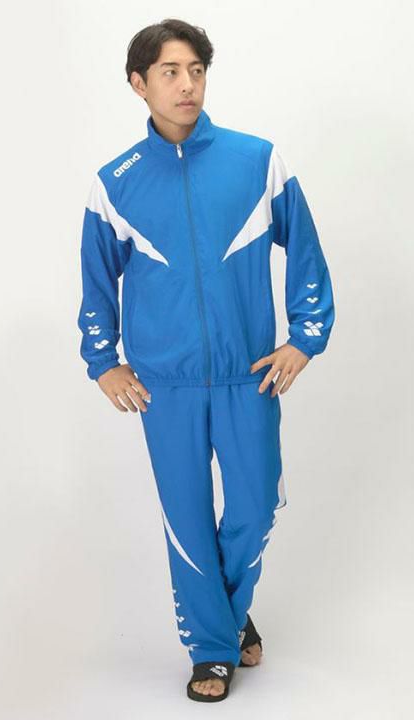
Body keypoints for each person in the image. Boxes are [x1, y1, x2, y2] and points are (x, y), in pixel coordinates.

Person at [76, 18, 335, 702]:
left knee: (258, 502)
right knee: (186, 517)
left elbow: (305, 250)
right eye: (170, 71)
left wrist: (305, 336)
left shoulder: (257, 161)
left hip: (249, 373)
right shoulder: (116, 184)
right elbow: (97, 280)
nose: (187, 84)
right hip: (165, 384)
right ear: (139, 83)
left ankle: (223, 612)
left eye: (196, 70)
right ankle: (212, 649)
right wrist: (103, 358)